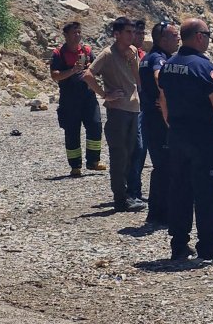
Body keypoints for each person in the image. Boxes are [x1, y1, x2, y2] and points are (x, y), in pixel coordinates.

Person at [159, 19, 213, 261]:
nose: (210, 39)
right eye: (208, 34)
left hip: (178, 135)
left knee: (180, 190)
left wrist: (171, 124)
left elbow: (163, 98)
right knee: (209, 193)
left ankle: (179, 245)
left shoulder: (169, 65)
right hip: (203, 138)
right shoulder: (204, 67)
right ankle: (208, 245)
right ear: (199, 37)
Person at [83, 17, 145, 212]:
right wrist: (104, 95)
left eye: (133, 32)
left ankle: (128, 194)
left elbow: (137, 78)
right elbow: (87, 74)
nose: (132, 35)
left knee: (133, 153)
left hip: (134, 109)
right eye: (128, 32)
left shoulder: (133, 51)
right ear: (116, 34)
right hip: (117, 111)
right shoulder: (107, 54)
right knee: (119, 156)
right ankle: (120, 199)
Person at [49, 21, 104, 177]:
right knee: (72, 132)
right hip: (69, 100)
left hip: (88, 97)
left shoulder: (87, 51)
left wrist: (89, 70)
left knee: (95, 125)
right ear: (66, 35)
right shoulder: (58, 53)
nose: (78, 35)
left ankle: (93, 161)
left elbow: (96, 69)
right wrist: (73, 70)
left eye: (79, 32)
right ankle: (75, 166)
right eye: (74, 32)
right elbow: (55, 75)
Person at [138, 20, 179, 227]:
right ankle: (159, 213)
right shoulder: (158, 58)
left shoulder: (147, 56)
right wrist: (167, 99)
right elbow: (159, 77)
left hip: (150, 117)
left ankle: (158, 212)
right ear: (162, 39)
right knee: (166, 166)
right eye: (174, 36)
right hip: (159, 119)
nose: (178, 38)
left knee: (161, 166)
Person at [126, 19, 148, 204]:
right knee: (136, 149)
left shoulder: (143, 55)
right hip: (130, 107)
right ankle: (131, 191)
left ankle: (135, 189)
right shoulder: (124, 54)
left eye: (142, 33)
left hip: (143, 106)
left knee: (141, 149)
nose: (140, 37)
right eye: (137, 33)